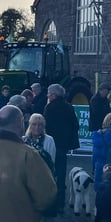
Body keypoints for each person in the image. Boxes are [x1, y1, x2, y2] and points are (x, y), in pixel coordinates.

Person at [44, 83, 80, 212]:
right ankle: (61, 202)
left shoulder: (49, 108)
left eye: (48, 93)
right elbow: (75, 125)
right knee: (61, 172)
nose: (47, 95)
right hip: (63, 145)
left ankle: (49, 200)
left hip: (51, 144)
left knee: (49, 172)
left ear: (53, 95)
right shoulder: (68, 107)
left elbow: (45, 127)